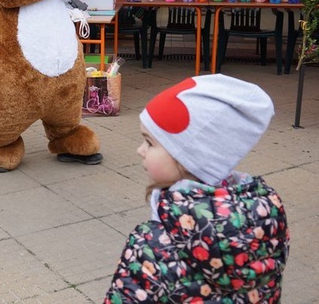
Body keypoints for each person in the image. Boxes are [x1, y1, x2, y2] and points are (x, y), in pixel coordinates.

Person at [105, 74, 289, 302]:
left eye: (150, 142)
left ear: (192, 157)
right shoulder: (266, 223)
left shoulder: (150, 244)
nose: (140, 150)